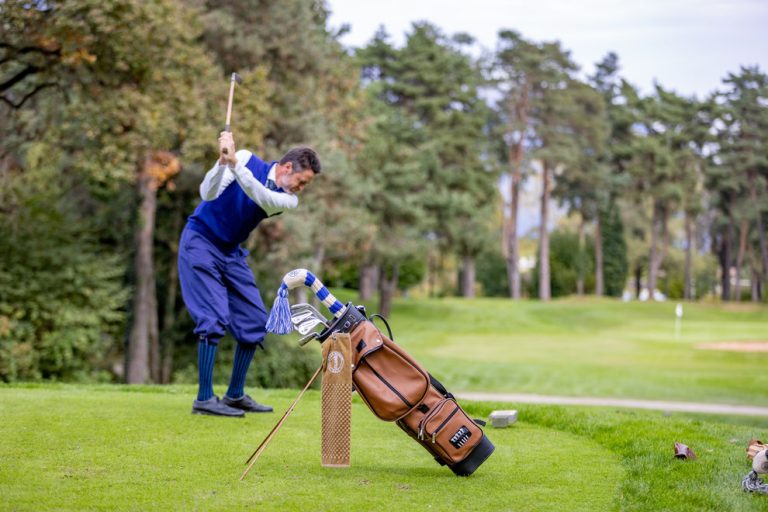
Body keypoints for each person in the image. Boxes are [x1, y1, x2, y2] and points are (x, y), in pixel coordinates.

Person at [178, 131, 321, 417]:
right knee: (213, 316)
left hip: (230, 251)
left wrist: (233, 165)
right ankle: (204, 399)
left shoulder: (286, 199)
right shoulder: (244, 158)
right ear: (287, 167)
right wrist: (222, 164)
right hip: (200, 241)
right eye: (302, 181)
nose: (301, 188)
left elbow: (259, 194)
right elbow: (207, 193)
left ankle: (234, 396)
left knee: (255, 320)